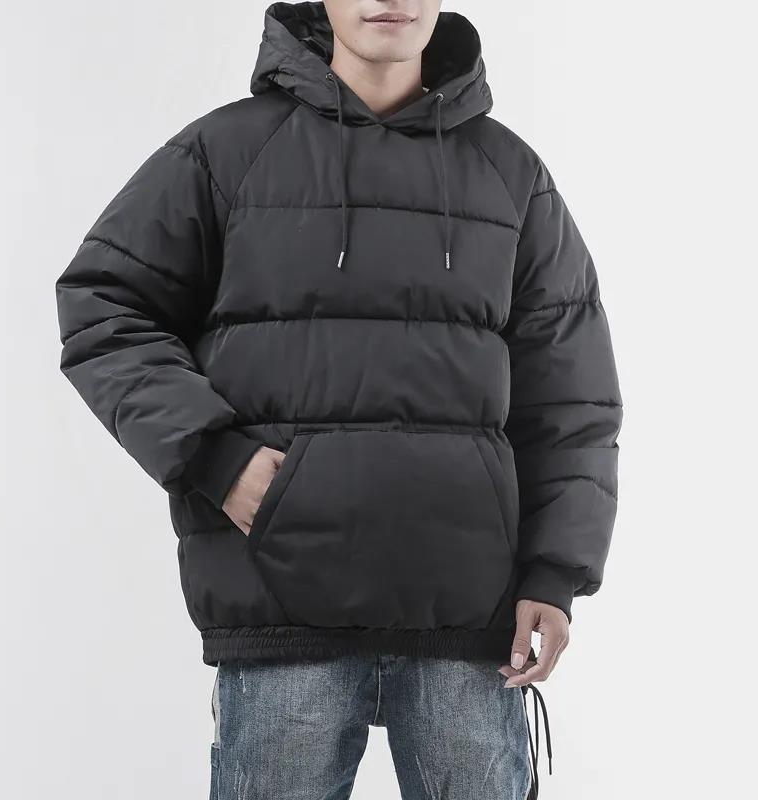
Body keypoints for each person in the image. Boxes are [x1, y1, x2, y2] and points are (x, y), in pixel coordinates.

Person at [55, 1, 622, 797]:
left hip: (471, 621)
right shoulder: (226, 153)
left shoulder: (512, 176)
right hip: (283, 605)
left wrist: (556, 573)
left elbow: (571, 395)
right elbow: (103, 307)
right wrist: (217, 458)